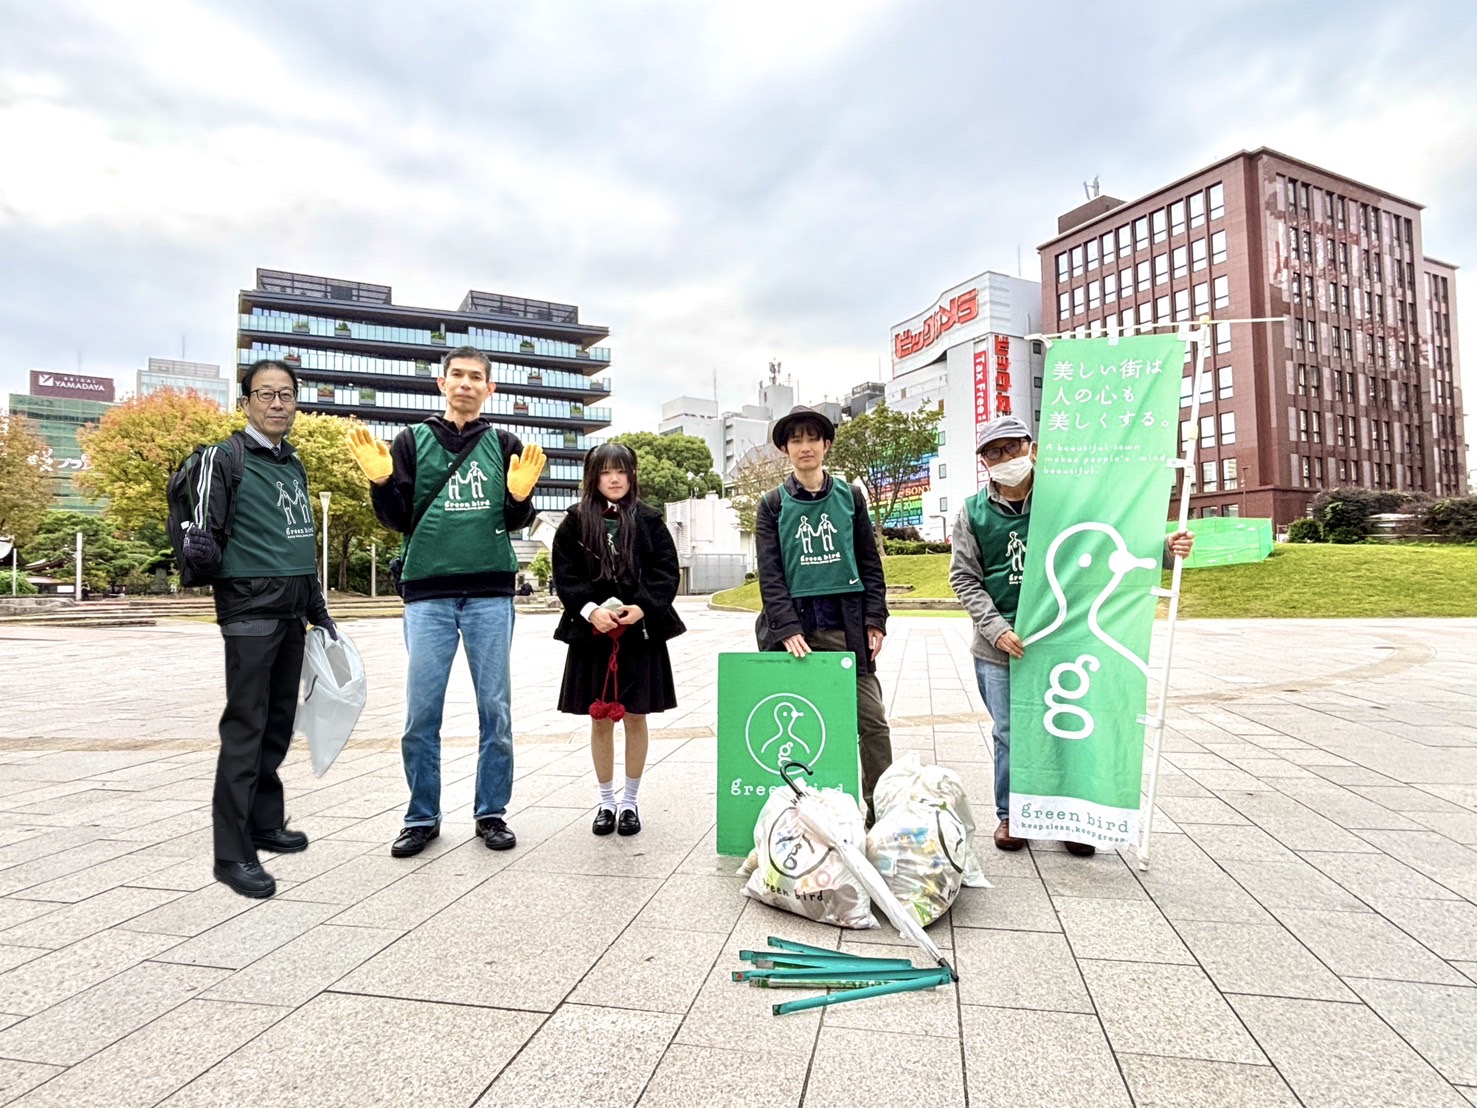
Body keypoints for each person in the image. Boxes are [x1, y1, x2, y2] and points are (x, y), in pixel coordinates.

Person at [948, 414, 1194, 857]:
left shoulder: (1064, 500)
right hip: (1001, 644)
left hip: (1062, 637)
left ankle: (1072, 816)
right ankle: (1013, 813)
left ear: (1032, 448)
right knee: (1010, 732)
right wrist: (996, 628)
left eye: (1013, 448)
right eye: (994, 452)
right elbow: (965, 579)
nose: (1005, 458)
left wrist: (1163, 548)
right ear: (983, 461)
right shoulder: (972, 511)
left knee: (1070, 724)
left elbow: (1105, 541)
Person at [346, 346, 545, 857]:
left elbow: (517, 518)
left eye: (476, 377)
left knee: (495, 710)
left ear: (490, 388)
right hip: (428, 594)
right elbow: (395, 519)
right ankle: (421, 816)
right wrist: (381, 482)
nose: (465, 384)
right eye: (457, 375)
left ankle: (491, 812)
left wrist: (521, 497)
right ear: (441, 383)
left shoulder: (504, 442)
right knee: (421, 713)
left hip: (489, 594)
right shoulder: (413, 441)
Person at [181, 358, 336, 899]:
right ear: (245, 402)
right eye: (265, 394)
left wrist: (316, 603)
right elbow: (202, 529)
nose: (277, 403)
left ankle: (265, 822)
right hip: (248, 610)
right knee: (245, 728)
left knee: (277, 724)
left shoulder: (292, 461)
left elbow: (299, 538)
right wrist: (199, 548)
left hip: (291, 608)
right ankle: (231, 853)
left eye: (286, 394)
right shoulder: (225, 458)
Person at [754, 405, 891, 821]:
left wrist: (875, 620)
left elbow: (869, 563)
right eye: (795, 439)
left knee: (872, 722)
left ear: (826, 444)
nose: (805, 446)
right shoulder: (772, 504)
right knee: (803, 725)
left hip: (847, 628)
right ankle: (796, 811)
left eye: (812, 438)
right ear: (785, 449)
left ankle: (881, 809)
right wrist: (787, 627)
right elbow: (771, 573)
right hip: (796, 634)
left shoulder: (850, 497)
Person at [551, 444, 685, 836]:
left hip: (639, 632)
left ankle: (630, 801)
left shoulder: (648, 519)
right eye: (605, 472)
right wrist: (590, 608)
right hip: (593, 632)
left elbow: (665, 570)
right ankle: (605, 801)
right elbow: (566, 575)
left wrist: (643, 606)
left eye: (621, 472)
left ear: (632, 475)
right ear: (593, 477)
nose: (614, 479)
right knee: (600, 718)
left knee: (636, 715)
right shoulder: (575, 521)